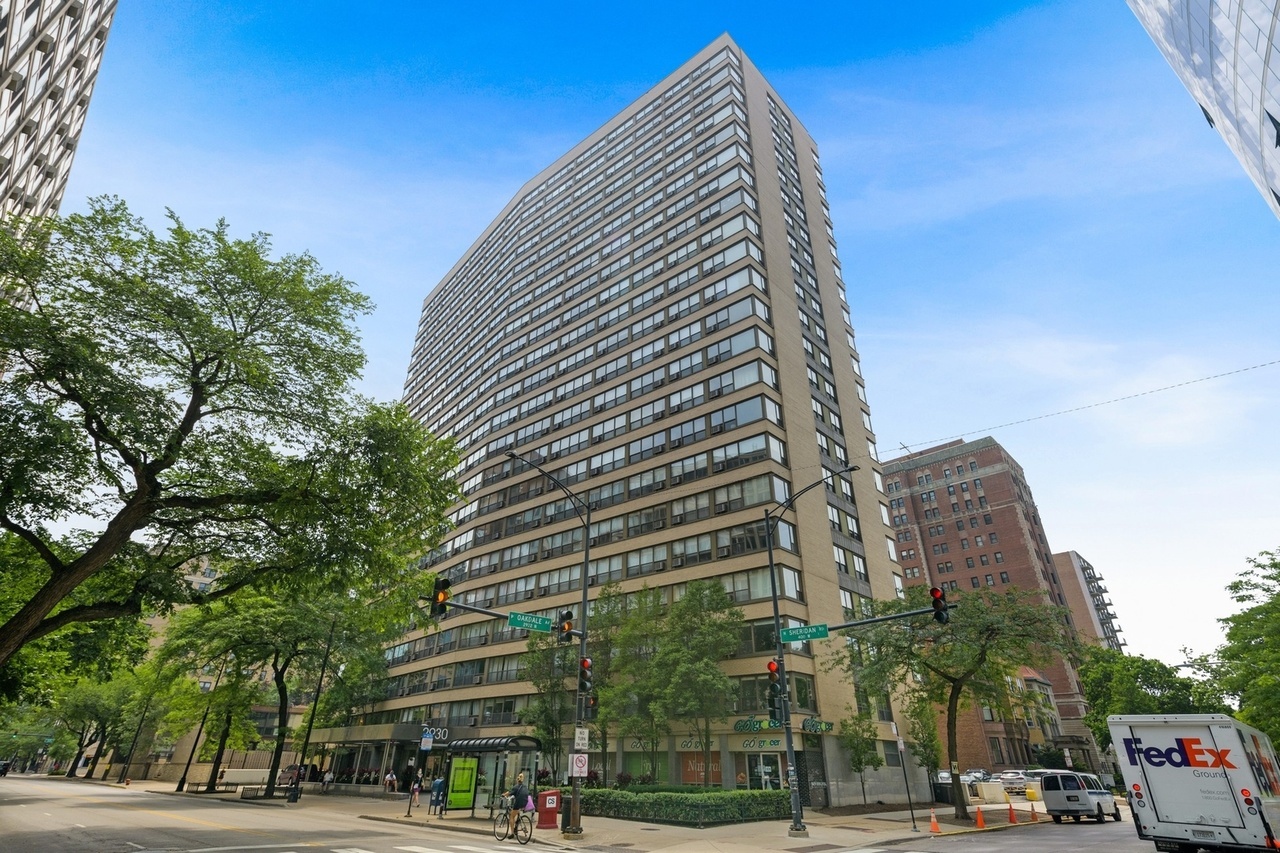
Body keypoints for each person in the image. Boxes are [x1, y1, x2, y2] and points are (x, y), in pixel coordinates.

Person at [503, 772, 529, 838]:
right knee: (516, 812)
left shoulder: (516, 787)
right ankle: (516, 827)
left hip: (519, 802)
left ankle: (512, 833)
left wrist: (503, 795)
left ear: (517, 780)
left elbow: (509, 793)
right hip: (525, 802)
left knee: (511, 816)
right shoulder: (525, 786)